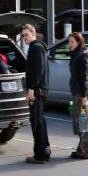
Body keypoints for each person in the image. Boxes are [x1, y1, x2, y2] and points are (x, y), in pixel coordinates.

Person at [21, 22, 50, 164]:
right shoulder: (39, 47)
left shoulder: (35, 48)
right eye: (22, 36)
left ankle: (40, 155)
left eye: (26, 35)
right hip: (41, 89)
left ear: (33, 34)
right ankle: (45, 151)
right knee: (40, 121)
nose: (24, 38)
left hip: (37, 91)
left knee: (36, 123)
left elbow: (38, 70)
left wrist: (31, 90)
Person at [68, 32, 88, 160]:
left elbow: (83, 78)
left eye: (72, 42)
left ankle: (84, 151)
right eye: (69, 42)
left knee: (82, 122)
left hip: (82, 93)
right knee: (78, 121)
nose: (69, 44)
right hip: (79, 92)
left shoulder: (81, 57)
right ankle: (81, 148)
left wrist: (84, 97)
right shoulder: (76, 55)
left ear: (78, 42)